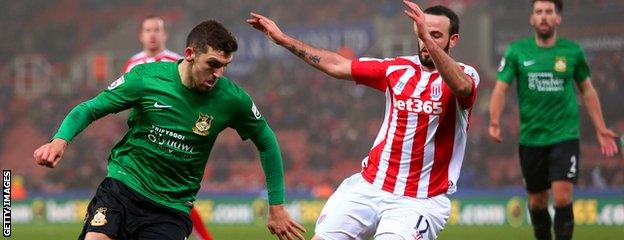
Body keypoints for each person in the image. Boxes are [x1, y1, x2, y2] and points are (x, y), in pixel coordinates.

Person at [33, 19, 306, 240]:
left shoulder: (233, 99)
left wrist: (277, 207)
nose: (218, 75)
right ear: (189, 54)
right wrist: (60, 140)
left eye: (224, 67)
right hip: (123, 187)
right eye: (212, 64)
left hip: (171, 209)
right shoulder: (145, 79)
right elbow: (90, 108)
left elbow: (267, 141)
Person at [248, 1, 479, 239]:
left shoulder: (466, 74)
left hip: (418, 201)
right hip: (369, 186)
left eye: (435, 35)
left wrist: (427, 39)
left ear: (453, 40)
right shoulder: (396, 68)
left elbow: (461, 87)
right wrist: (284, 39)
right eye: (421, 33)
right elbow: (338, 65)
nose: (424, 40)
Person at [488, 1, 619, 240]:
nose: (544, 17)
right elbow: (500, 89)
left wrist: (600, 128)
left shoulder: (572, 51)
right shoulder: (517, 51)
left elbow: (587, 90)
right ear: (532, 19)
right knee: (537, 202)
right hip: (531, 139)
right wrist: (494, 121)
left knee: (562, 197)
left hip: (564, 135)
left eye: (549, 12)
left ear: (558, 18)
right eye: (539, 12)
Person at [123, 15, 212, 240]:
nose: (152, 34)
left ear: (165, 34)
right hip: (144, 139)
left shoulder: (178, 61)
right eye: (148, 30)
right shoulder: (132, 64)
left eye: (156, 30)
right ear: (141, 36)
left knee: (174, 194)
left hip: (172, 136)